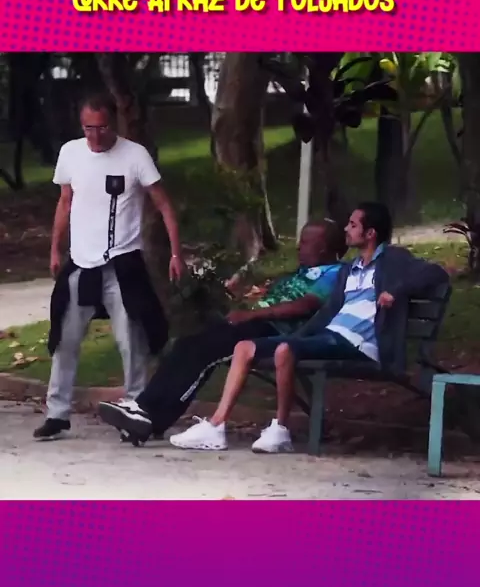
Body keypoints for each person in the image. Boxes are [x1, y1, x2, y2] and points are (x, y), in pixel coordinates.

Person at [167, 201, 450, 454]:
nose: (346, 229)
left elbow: (435, 273)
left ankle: (280, 430)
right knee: (244, 347)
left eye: (353, 225)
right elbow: (327, 312)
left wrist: (395, 292)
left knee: (285, 350)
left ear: (370, 233)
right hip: (332, 336)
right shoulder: (349, 269)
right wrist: (299, 336)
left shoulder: (393, 259)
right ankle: (216, 427)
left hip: (359, 343)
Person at [98, 219, 347, 447]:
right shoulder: (302, 272)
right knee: (187, 344)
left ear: (323, 247)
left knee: (206, 352)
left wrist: (251, 315)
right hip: (258, 323)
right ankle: (143, 410)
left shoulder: (335, 274)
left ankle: (150, 416)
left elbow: (305, 306)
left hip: (272, 331)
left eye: (305, 241)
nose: (298, 246)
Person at [34, 93, 185, 440]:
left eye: (101, 128)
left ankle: (135, 411)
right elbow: (65, 202)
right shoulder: (71, 153)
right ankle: (57, 413)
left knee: (131, 341)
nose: (95, 136)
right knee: (64, 339)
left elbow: (164, 205)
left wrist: (176, 253)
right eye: (88, 128)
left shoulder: (135, 155)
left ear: (113, 122)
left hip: (121, 263)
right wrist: (55, 248)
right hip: (80, 262)